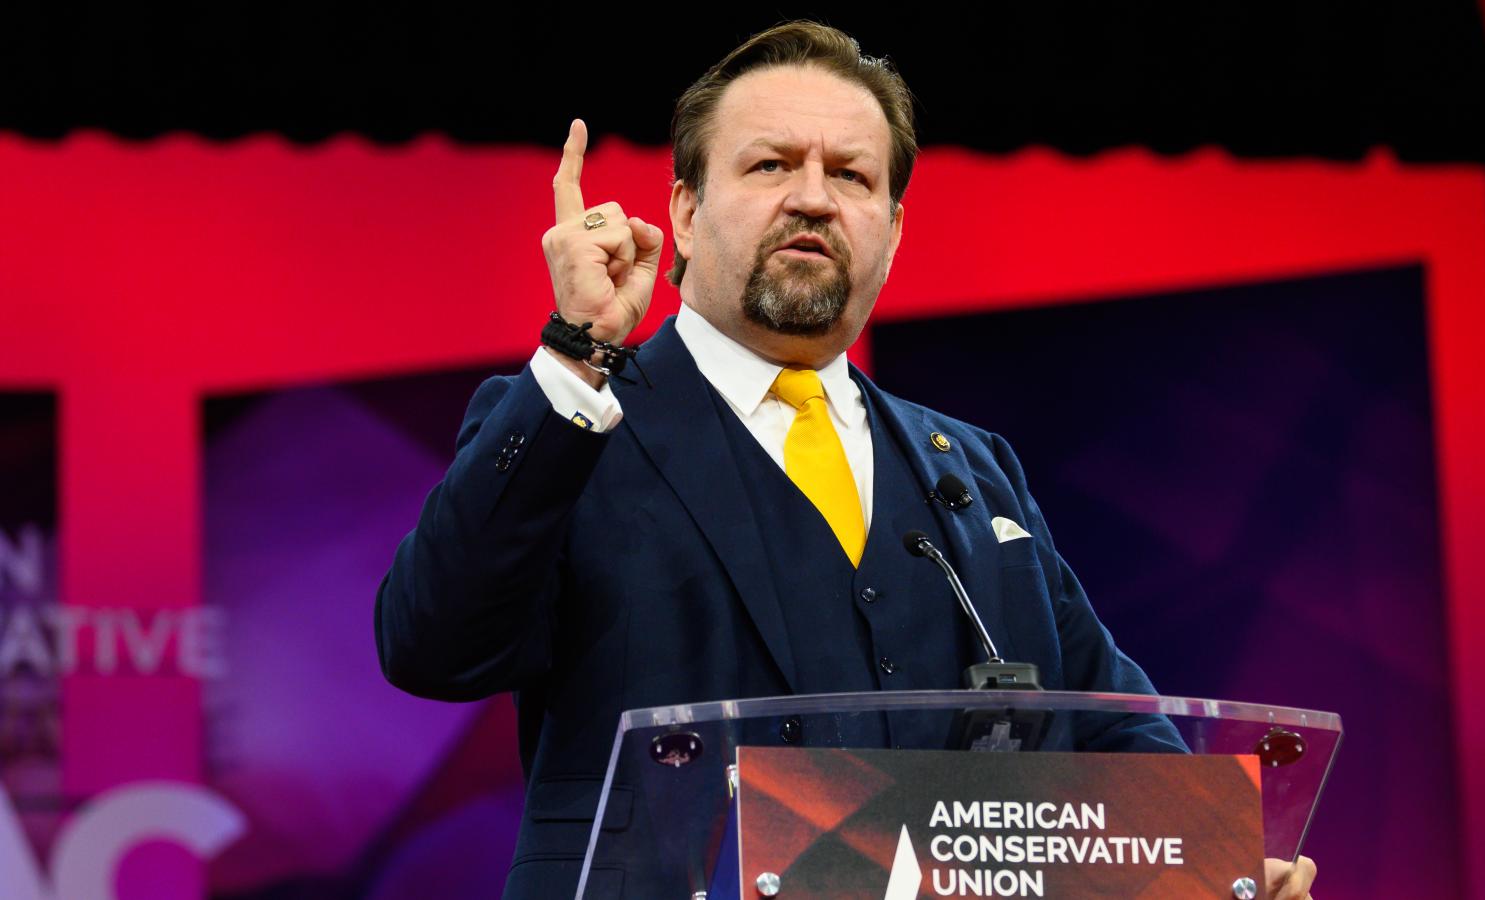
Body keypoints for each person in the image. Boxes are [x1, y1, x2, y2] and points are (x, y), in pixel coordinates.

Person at [375, 20, 1317, 900]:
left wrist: (1216, 858)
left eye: (853, 177)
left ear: (894, 231)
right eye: (772, 164)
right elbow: (431, 645)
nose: (815, 197)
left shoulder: (976, 469)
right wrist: (578, 358)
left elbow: (1103, 714)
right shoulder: (569, 424)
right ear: (688, 213)